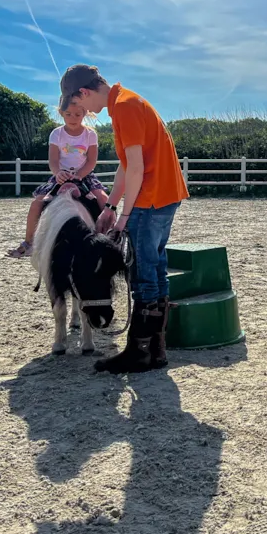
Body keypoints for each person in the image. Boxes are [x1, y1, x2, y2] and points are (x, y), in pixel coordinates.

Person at [59, 64, 189, 374]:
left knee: (143, 275)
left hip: (149, 199)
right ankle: (156, 348)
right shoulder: (127, 102)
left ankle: (138, 352)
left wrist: (125, 216)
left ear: (84, 92)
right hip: (164, 196)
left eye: (81, 106)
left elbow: (135, 169)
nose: (87, 112)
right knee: (156, 269)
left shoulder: (124, 108)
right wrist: (111, 206)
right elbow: (125, 166)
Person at [6, 99, 109, 259]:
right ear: (61, 113)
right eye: (68, 114)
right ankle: (29, 243)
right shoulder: (57, 134)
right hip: (61, 175)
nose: (73, 118)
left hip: (84, 175)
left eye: (77, 114)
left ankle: (110, 239)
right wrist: (58, 173)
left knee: (103, 199)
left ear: (85, 114)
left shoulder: (90, 134)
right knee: (37, 204)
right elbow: (53, 160)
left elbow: (91, 161)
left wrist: (80, 175)